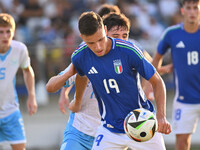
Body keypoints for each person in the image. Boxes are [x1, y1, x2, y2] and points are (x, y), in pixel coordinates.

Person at [69, 11, 171, 150]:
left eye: (125, 35)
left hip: (142, 122)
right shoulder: (81, 56)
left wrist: (161, 116)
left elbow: (157, 81)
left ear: (103, 31)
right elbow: (81, 75)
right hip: (109, 129)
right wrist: (77, 100)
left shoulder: (129, 51)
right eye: (92, 42)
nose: (98, 47)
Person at [151, 0, 200, 150]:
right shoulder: (172, 33)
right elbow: (155, 61)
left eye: (195, 8)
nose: (192, 11)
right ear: (183, 10)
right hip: (184, 99)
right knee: (181, 143)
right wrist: (150, 85)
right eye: (189, 8)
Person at [0, 13, 37, 150]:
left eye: (8, 31)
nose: (5, 36)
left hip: (11, 110)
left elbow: (27, 70)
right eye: (1, 32)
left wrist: (31, 96)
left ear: (13, 32)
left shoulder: (19, 49)